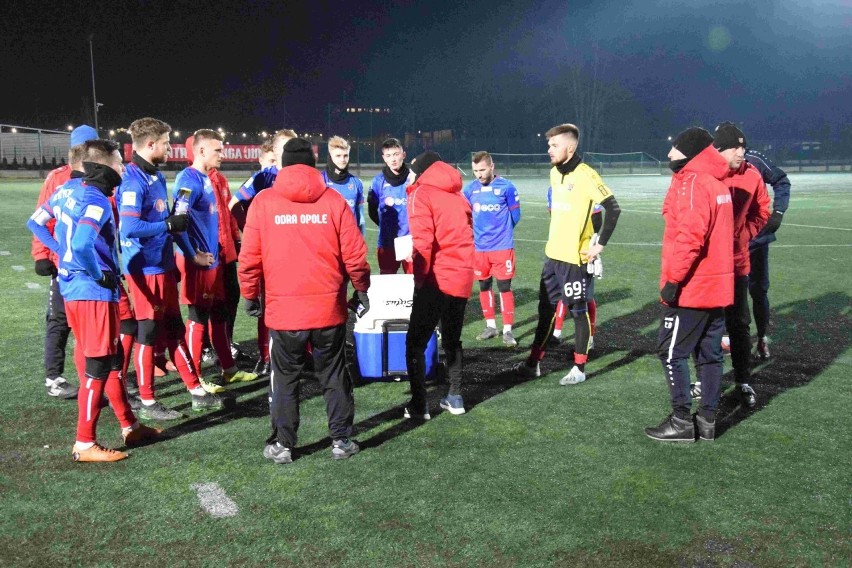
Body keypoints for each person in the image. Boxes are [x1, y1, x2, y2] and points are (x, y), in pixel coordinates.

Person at [27, 139, 161, 461]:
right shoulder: (97, 200)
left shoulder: (66, 191)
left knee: (112, 358)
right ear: (102, 168)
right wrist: (95, 271)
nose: (123, 168)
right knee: (99, 365)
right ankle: (84, 443)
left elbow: (35, 222)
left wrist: (61, 252)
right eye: (118, 163)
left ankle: (129, 426)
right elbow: (86, 242)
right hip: (94, 292)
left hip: (73, 289)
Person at [239, 138, 370, 464]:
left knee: (285, 380)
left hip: (284, 313)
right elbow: (355, 254)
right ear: (312, 164)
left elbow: (249, 257)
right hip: (328, 309)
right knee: (334, 375)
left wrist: (249, 295)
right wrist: (362, 289)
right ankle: (341, 440)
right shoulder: (333, 200)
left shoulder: (264, 201)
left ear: (283, 163)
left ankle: (284, 445)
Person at [117, 117, 222, 421]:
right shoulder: (133, 180)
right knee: (148, 333)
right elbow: (130, 226)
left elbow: (176, 226)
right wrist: (165, 226)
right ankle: (146, 400)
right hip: (144, 269)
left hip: (163, 266)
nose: (170, 147)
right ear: (150, 144)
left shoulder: (157, 177)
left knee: (175, 329)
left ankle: (195, 390)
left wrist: (189, 254)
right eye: (165, 143)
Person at [512, 124, 620, 386]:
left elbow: (613, 209)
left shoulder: (586, 175)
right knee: (545, 310)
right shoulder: (553, 173)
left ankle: (579, 368)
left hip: (574, 258)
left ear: (570, 148)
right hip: (552, 257)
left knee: (577, 311)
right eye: (549, 145)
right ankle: (533, 363)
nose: (549, 149)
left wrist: (599, 245)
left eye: (554, 145)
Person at [644, 127, 734, 443]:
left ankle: (681, 420)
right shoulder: (716, 183)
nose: (669, 154)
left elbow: (690, 238)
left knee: (670, 352)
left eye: (675, 148)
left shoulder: (696, 183)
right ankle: (707, 421)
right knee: (709, 355)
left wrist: (673, 281)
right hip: (717, 287)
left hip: (693, 287)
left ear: (690, 152)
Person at [174, 131, 257, 386]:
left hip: (215, 260)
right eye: (218, 150)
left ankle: (228, 369)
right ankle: (194, 379)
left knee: (220, 314)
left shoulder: (210, 179)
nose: (223, 154)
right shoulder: (187, 180)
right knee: (198, 318)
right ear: (201, 152)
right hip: (200, 262)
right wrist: (192, 255)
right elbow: (177, 222)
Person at [702, 123, 770, 408]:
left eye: (743, 147)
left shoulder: (752, 176)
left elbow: (762, 210)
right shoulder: (703, 175)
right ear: (719, 150)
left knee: (740, 326)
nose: (741, 152)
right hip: (707, 267)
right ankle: (706, 383)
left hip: (737, 264)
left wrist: (744, 234)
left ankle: (743, 380)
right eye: (735, 148)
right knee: (707, 327)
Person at [404, 151, 474, 417]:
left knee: (415, 342)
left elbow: (423, 243)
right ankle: (455, 396)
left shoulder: (421, 194)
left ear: (422, 171)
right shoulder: (458, 194)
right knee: (453, 339)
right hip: (462, 275)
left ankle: (419, 404)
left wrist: (418, 279)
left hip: (437, 277)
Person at [31, 124, 99, 399]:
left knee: (93, 322)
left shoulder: (101, 178)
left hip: (93, 264)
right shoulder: (57, 179)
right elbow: (40, 219)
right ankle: (54, 378)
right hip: (64, 265)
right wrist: (43, 255)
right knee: (59, 320)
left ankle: (98, 374)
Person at [228, 129, 296, 376]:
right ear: (276, 152)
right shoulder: (264, 177)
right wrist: (252, 231)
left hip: (300, 253)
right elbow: (233, 205)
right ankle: (266, 357)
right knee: (268, 306)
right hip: (273, 253)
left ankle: (302, 353)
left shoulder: (307, 176)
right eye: (289, 147)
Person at [462, 151, 521, 347]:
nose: (479, 174)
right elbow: (466, 217)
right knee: (484, 285)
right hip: (479, 249)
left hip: (502, 248)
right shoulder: (470, 190)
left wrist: (502, 234)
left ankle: (507, 330)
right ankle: (490, 326)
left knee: (504, 287)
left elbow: (516, 216)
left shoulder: (507, 187)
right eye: (475, 170)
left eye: (482, 169)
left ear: (492, 166)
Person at [745, 148, 790, 360]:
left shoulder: (754, 159)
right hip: (728, 242)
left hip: (756, 239)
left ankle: (761, 339)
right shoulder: (715, 161)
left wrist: (778, 212)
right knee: (730, 292)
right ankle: (733, 341)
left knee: (758, 291)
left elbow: (781, 179)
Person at [551, 203, 601, 348]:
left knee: (587, 296)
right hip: (563, 251)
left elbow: (597, 217)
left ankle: (590, 338)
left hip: (583, 253)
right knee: (564, 293)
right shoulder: (555, 187)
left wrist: (595, 244)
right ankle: (556, 333)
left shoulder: (587, 186)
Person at [368, 138, 412, 274]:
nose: (393, 159)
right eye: (388, 155)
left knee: (415, 284)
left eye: (396, 154)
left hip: (409, 240)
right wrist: (385, 226)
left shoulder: (413, 178)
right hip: (387, 240)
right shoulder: (378, 182)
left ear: (403, 155)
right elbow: (372, 211)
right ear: (384, 158)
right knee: (387, 282)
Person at [322, 136, 366, 236]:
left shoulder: (356, 183)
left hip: (350, 241)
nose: (342, 159)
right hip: (328, 240)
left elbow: (361, 218)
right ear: (330, 156)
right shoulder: (320, 180)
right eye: (338, 156)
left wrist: (361, 241)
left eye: (345, 155)